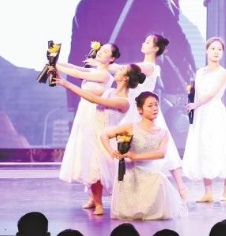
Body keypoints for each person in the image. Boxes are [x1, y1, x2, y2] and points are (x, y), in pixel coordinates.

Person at [67, 0, 196, 117]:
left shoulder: (86, 4)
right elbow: (178, 44)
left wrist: (73, 108)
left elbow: (76, 58)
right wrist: (194, 84)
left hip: (96, 97)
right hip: (138, 95)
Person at [97, 34, 187, 200]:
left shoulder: (149, 66)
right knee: (128, 147)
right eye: (144, 41)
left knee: (165, 150)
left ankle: (181, 187)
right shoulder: (145, 65)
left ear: (155, 48)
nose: (143, 44)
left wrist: (103, 62)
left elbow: (123, 68)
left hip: (145, 110)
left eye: (147, 42)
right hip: (133, 109)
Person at [55, 64, 144, 215]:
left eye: (121, 70)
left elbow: (92, 99)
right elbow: (85, 92)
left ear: (125, 78)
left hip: (108, 137)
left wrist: (65, 83)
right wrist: (60, 78)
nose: (117, 70)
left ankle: (122, 201)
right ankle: (97, 203)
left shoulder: (124, 101)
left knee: (109, 172)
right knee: (93, 170)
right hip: (93, 134)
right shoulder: (108, 91)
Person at [101, 91, 188, 220]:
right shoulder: (130, 127)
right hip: (131, 174)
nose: (154, 108)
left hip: (150, 172)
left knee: (160, 180)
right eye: (150, 105)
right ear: (140, 109)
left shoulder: (163, 132)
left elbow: (161, 154)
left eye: (156, 105)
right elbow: (104, 135)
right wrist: (111, 152)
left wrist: (134, 156)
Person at [57, 43, 117, 209]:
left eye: (105, 51)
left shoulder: (104, 75)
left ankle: (98, 202)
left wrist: (55, 66)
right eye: (101, 50)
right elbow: (74, 67)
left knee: (94, 155)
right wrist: (54, 61)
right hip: (84, 114)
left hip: (95, 115)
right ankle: (92, 197)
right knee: (85, 153)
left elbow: (76, 73)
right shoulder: (94, 70)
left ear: (112, 58)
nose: (101, 52)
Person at [182, 37, 226, 202]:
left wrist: (196, 104)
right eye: (213, 48)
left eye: (219, 49)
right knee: (204, 147)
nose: (216, 52)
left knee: (221, 146)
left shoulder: (223, 72)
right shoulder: (200, 72)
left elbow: (211, 94)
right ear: (207, 50)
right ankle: (208, 192)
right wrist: (193, 103)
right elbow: (198, 92)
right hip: (201, 114)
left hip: (214, 112)